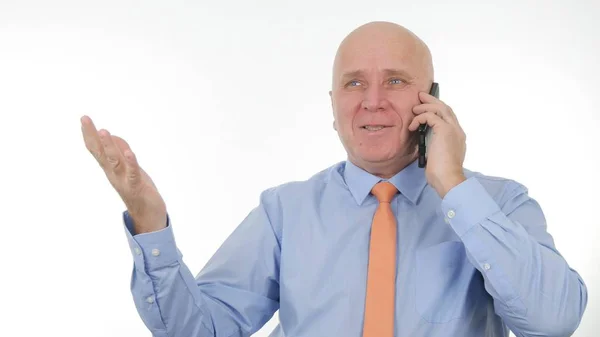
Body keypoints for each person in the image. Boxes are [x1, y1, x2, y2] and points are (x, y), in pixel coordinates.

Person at [80, 21, 588, 337]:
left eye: (395, 81)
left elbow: (554, 321)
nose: (372, 101)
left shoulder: (497, 203)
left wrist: (452, 184)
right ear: (333, 106)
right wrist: (150, 223)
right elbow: (202, 331)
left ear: (431, 98)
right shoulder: (285, 212)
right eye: (353, 84)